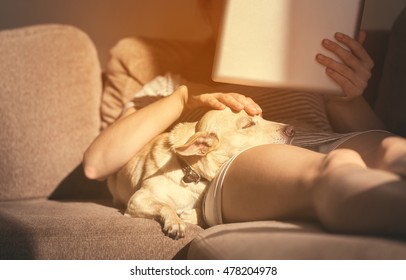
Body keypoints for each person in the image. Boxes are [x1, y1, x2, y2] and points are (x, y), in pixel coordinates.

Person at [83, 0, 406, 236]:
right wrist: (183, 96)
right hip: (248, 159)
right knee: (336, 170)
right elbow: (98, 163)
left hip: (327, 139)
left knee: (393, 152)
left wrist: (347, 96)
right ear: (207, 9)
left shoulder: (314, 76)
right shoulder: (172, 84)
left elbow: (375, 136)